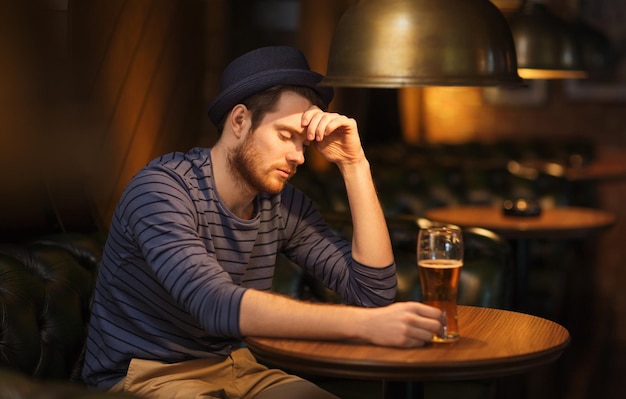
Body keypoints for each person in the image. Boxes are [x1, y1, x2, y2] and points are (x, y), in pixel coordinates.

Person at [81, 46, 444, 399]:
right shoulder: (161, 189)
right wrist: (366, 328)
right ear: (239, 121)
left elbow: (373, 294)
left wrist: (355, 166)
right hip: (144, 375)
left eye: (304, 143)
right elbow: (214, 304)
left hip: (234, 365)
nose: (298, 156)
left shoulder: (281, 204)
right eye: (286, 136)